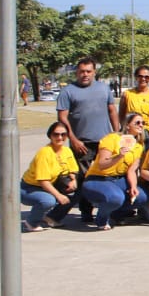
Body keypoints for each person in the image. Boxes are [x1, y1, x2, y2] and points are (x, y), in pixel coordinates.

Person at [57, 57, 120, 224]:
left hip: (104, 141)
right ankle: (86, 211)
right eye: (81, 71)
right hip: (82, 143)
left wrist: (117, 132)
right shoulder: (68, 91)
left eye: (88, 71)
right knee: (84, 179)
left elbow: (112, 110)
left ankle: (109, 209)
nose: (85, 74)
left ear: (94, 72)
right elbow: (63, 117)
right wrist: (73, 139)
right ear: (77, 72)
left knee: (106, 176)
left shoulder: (103, 88)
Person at [80, 113, 147, 230]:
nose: (141, 125)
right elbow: (102, 165)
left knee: (142, 197)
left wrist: (133, 187)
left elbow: (131, 171)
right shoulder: (111, 139)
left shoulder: (138, 146)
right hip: (98, 178)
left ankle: (115, 214)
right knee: (116, 198)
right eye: (137, 123)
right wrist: (119, 156)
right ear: (127, 125)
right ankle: (101, 219)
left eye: (143, 123)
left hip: (118, 179)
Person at [19, 121, 78, 231]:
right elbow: (43, 181)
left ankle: (52, 217)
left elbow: (72, 169)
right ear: (50, 136)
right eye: (56, 134)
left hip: (51, 185)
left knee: (77, 191)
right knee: (48, 200)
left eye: (63, 134)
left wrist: (73, 180)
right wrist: (59, 196)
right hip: (29, 188)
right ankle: (32, 222)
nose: (60, 138)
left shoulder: (66, 150)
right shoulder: (44, 153)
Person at [121, 66, 149, 140]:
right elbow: (121, 115)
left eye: (147, 77)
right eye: (140, 76)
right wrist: (124, 128)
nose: (143, 79)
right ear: (136, 77)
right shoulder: (127, 94)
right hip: (133, 134)